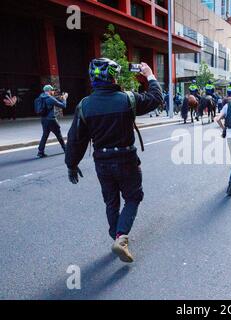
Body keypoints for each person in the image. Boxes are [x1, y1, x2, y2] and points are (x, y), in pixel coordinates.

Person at [65, 58, 163, 263]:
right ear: (113, 77)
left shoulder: (85, 105)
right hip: (126, 159)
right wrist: (149, 75)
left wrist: (71, 164)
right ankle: (121, 238)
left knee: (111, 201)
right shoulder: (127, 99)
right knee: (133, 198)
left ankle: (116, 236)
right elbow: (156, 98)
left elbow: (76, 140)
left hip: (102, 162)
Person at [36, 85, 68, 158]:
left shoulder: (41, 97)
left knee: (45, 135)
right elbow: (63, 106)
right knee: (58, 134)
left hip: (43, 119)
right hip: (51, 120)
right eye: (52, 90)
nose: (53, 92)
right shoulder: (50, 98)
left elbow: (55, 99)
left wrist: (60, 98)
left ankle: (40, 152)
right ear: (49, 91)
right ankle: (65, 149)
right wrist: (65, 98)